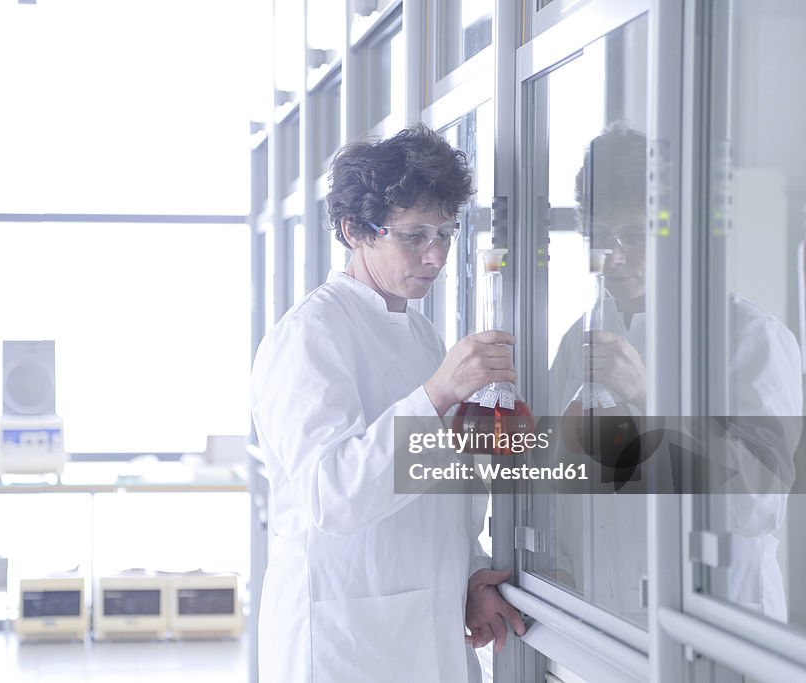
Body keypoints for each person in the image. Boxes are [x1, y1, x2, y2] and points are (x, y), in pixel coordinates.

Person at [250, 124, 525, 682]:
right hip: (344, 639)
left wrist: (469, 575)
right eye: (415, 234)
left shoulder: (421, 334)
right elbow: (334, 496)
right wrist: (438, 394)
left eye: (446, 233)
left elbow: (437, 493)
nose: (436, 255)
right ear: (355, 231)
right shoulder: (310, 336)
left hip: (423, 623)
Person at [548, 124, 801, 621]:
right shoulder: (575, 342)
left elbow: (762, 502)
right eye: (599, 238)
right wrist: (555, 568)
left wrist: (650, 397)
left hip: (717, 625)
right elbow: (558, 487)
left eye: (634, 237)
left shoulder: (749, 336)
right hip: (605, 627)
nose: (613, 257)